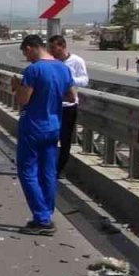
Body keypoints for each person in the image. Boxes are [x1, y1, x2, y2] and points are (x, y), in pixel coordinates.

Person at [12, 35, 77, 236]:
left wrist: (16, 87)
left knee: (28, 171)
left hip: (33, 126)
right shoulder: (63, 68)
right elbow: (71, 96)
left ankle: (42, 219)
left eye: (25, 53)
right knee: (47, 172)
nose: (26, 57)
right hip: (53, 126)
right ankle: (47, 212)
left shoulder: (34, 70)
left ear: (31, 48)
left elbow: (24, 99)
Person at [47, 35, 88, 178]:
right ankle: (48, 166)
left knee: (65, 139)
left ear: (62, 46)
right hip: (52, 105)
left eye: (53, 47)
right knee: (50, 136)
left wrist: (68, 80)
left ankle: (59, 169)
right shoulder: (50, 62)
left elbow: (84, 80)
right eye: (49, 47)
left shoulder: (76, 61)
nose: (51, 50)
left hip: (69, 105)